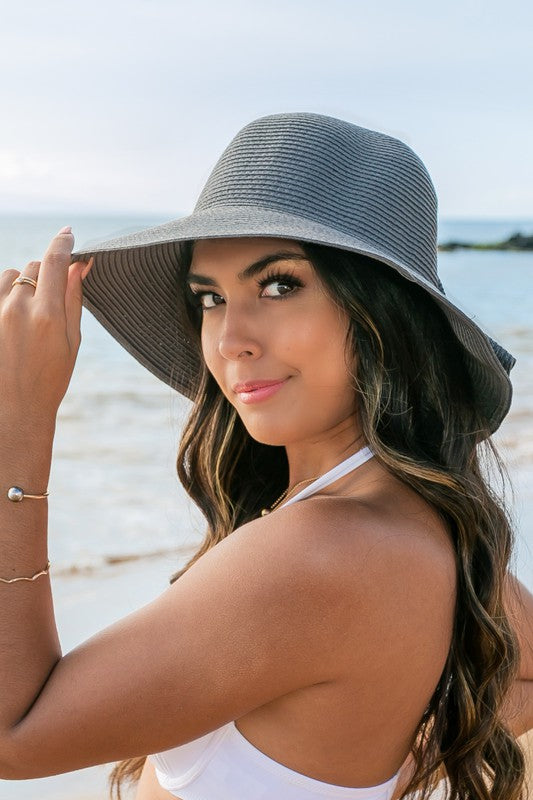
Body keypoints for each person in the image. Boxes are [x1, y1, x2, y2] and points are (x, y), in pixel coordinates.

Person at [0, 112, 531, 800]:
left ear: (381, 312)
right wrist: (392, 754)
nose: (229, 339)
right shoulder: (420, 516)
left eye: (278, 284)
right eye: (210, 298)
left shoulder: (320, 551)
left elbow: (13, 737)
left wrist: (19, 425)